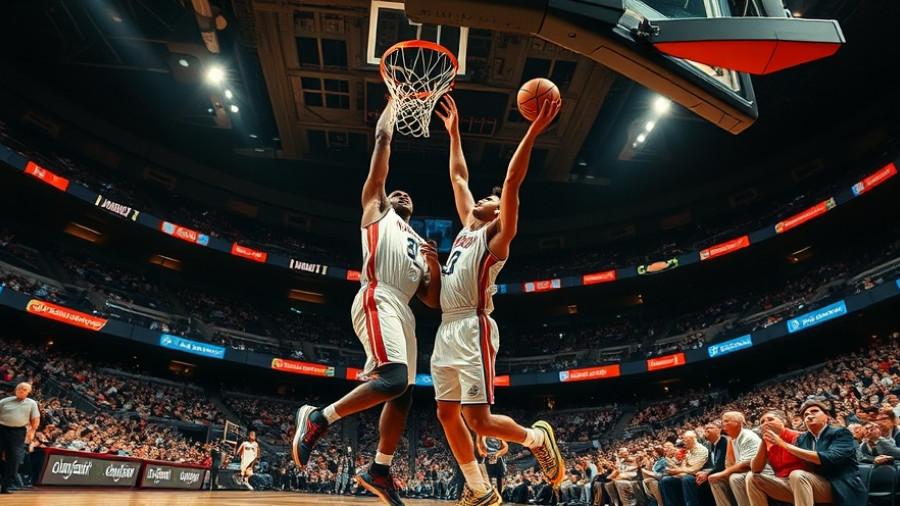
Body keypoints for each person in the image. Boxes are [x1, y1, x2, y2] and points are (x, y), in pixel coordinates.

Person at [292, 99, 441, 506]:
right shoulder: (376, 209)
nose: (401, 192)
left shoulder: (418, 242)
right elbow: (382, 139)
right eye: (395, 191)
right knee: (393, 380)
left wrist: (436, 265)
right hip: (377, 295)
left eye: (406, 194)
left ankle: (379, 469)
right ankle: (317, 419)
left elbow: (431, 300)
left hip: (405, 310)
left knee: (405, 393)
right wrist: (394, 102)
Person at [431, 94, 564, 506]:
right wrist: (454, 135)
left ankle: (535, 437)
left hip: (473, 325)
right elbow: (457, 178)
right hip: (446, 328)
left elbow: (510, 182)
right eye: (483, 198)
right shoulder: (467, 229)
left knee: (479, 420)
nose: (483, 198)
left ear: (497, 212)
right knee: (446, 414)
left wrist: (534, 131)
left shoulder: (498, 239)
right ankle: (478, 488)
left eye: (489, 200)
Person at [754, 400, 866, 506]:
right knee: (753, 478)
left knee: (798, 474)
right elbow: (756, 468)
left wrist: (783, 443)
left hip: (842, 486)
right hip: (814, 485)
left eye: (815, 411)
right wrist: (767, 439)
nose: (809, 415)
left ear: (827, 416)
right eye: (806, 415)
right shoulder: (802, 439)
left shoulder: (841, 433)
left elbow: (830, 458)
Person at [709, 411, 762, 506]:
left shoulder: (748, 436)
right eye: (722, 421)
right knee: (715, 480)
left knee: (735, 478)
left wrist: (724, 473)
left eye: (726, 421)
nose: (722, 423)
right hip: (743, 471)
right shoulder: (731, 439)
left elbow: (747, 464)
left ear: (737, 422)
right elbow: (730, 463)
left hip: (757, 471)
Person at [0, 382, 40, 494]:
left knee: (14, 457)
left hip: (18, 432)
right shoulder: (4, 401)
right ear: (16, 390)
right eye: (20, 389)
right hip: (1, 428)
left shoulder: (32, 403)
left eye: (25, 389)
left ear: (28, 392)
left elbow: (35, 420)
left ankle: (7, 485)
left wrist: (32, 432)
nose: (22, 390)